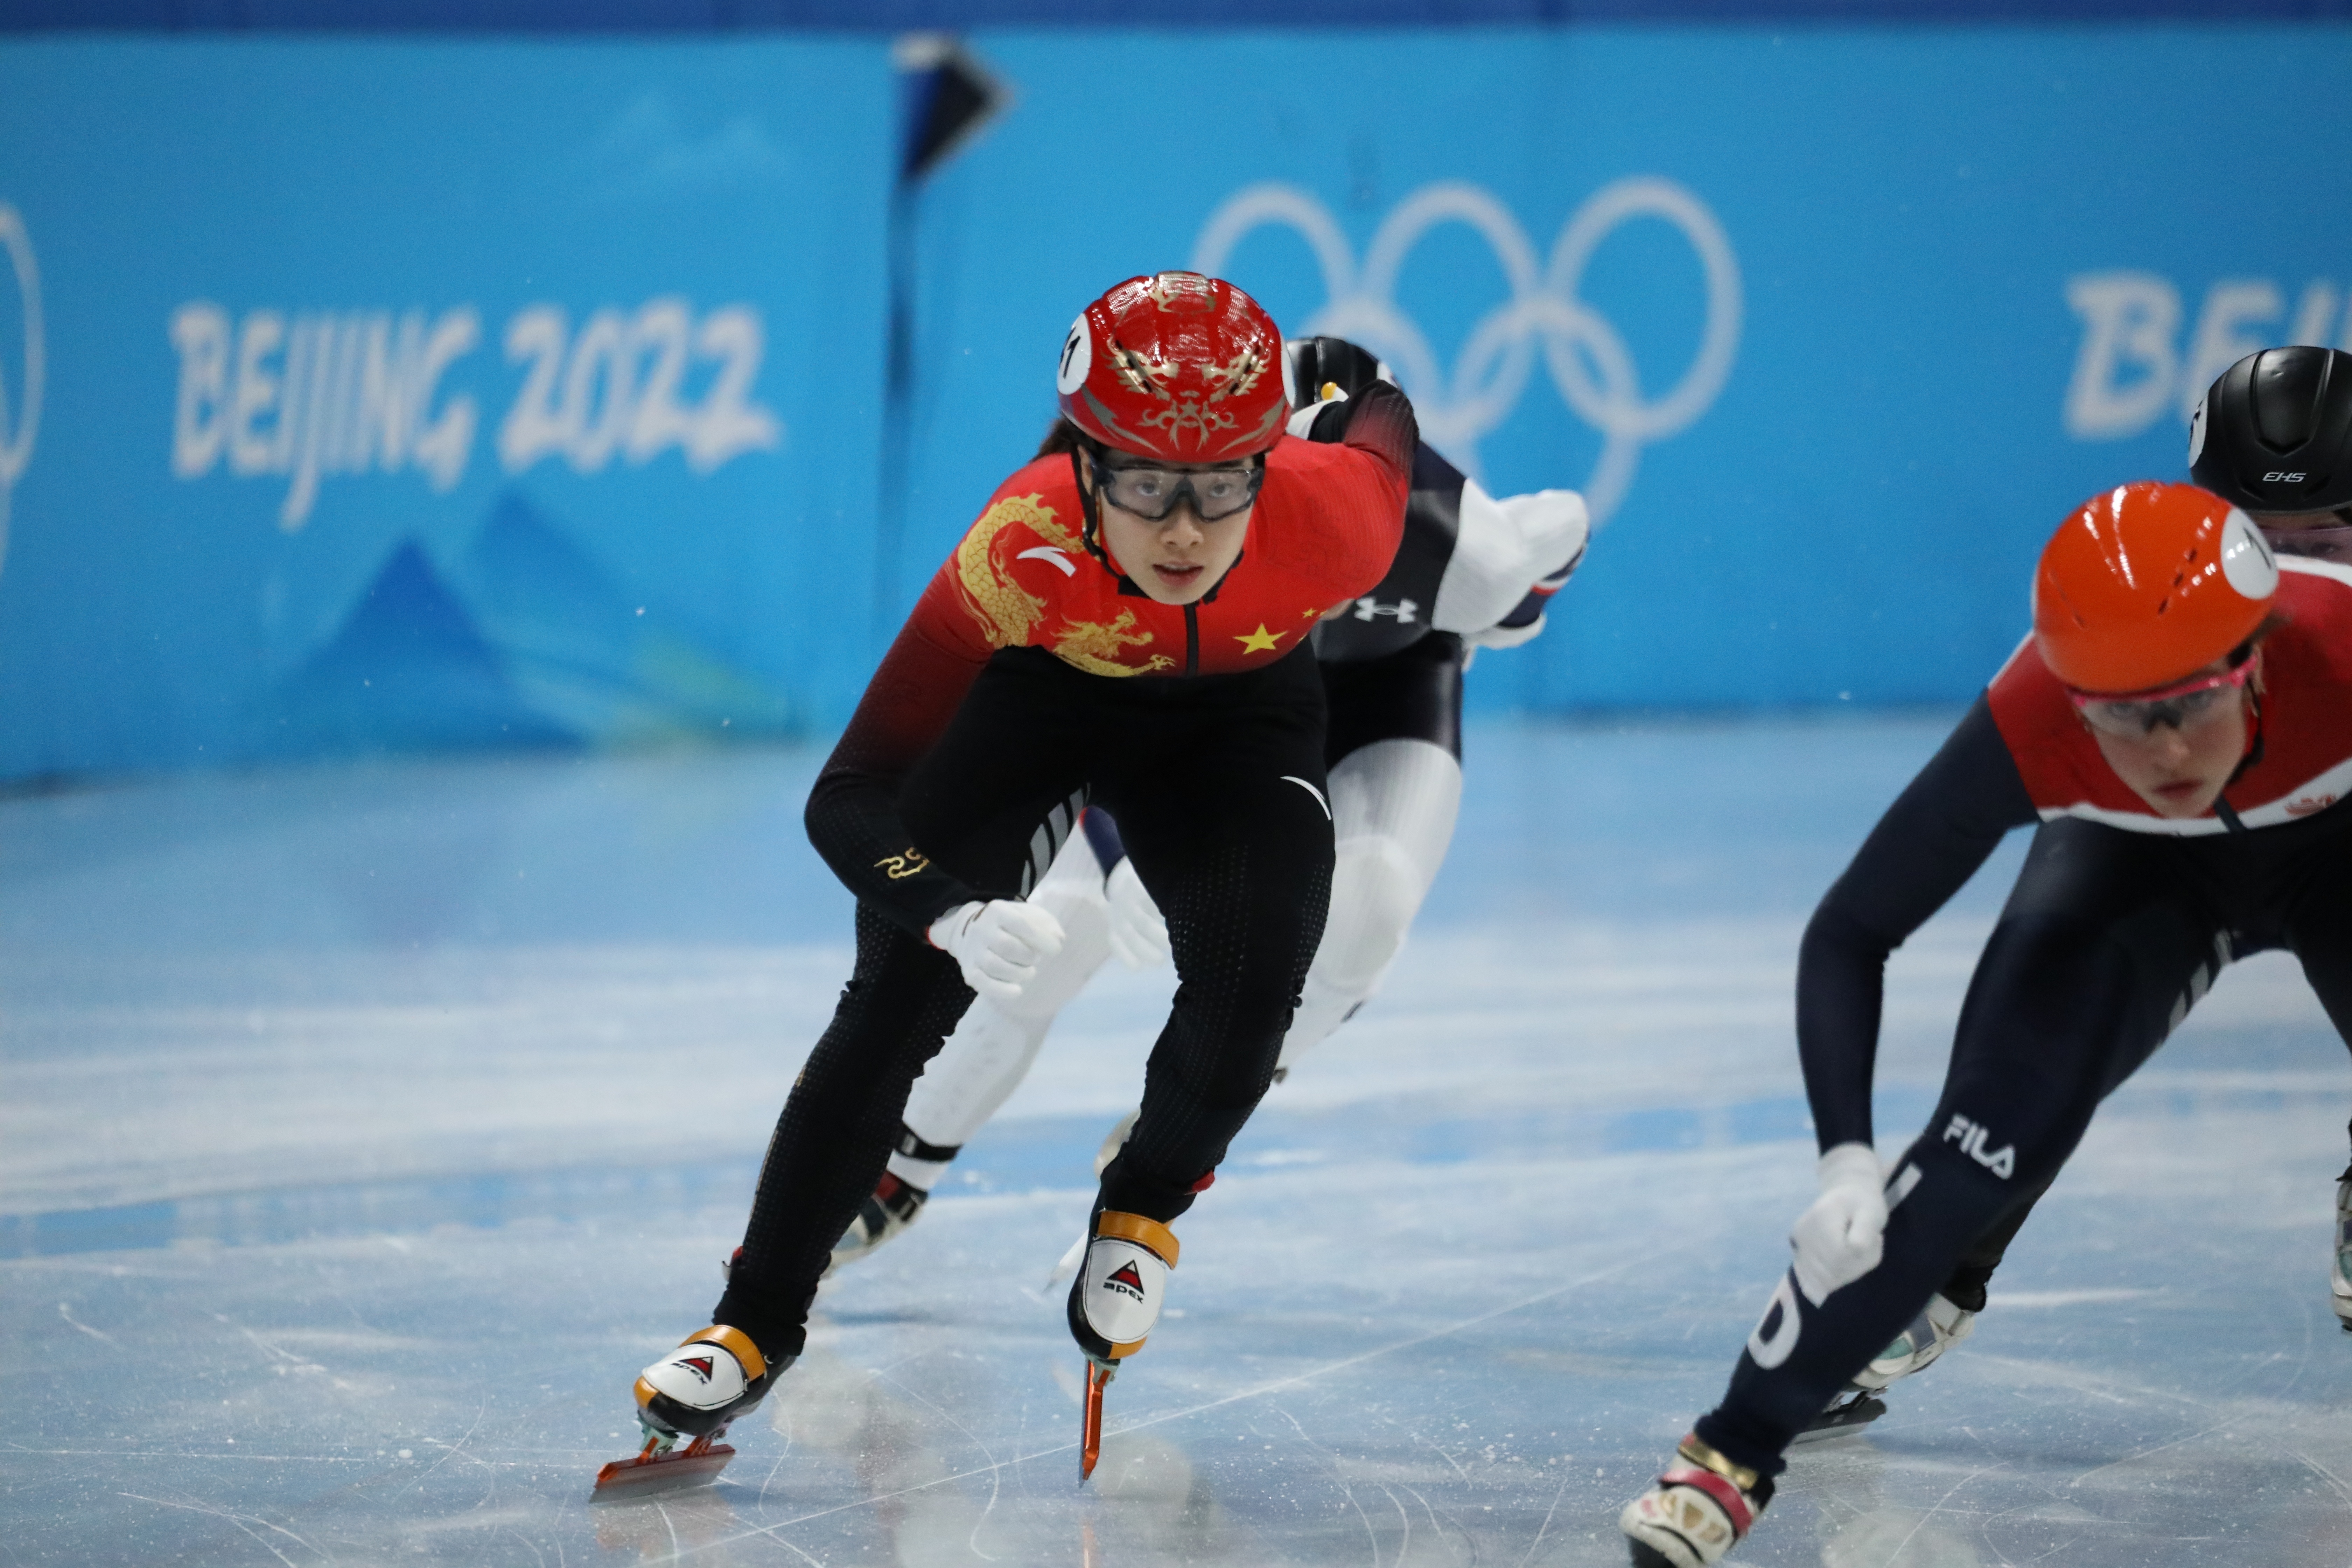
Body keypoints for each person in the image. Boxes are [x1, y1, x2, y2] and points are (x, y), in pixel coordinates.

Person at [611, 274, 1418, 1470]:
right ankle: (754, 1320)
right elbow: (847, 794)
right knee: (890, 1003)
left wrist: (1325, 365)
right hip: (1044, 702)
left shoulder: (1337, 516)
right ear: (1086, 467)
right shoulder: (1019, 545)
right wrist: (944, 915)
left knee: (1264, 960)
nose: (1187, 530)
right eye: (1146, 486)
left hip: (1239, 723)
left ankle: (1141, 1206)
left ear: (1266, 463)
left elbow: (1379, 405)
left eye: (1218, 485)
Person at [1619, 479, 2352, 1567]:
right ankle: (1727, 1456)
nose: (2159, 754)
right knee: (1970, 1155)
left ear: (2256, 658)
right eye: (2117, 715)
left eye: (2185, 704)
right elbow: (1851, 930)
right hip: (2140, 875)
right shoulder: (2036, 716)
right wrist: (1846, 1167)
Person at [825, 335, 1590, 1265]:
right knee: (1063, 926)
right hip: (1207, 707)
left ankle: (1174, 1135)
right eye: (1166, 482)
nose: (1191, 517)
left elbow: (1529, 558)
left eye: (1229, 483)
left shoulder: (1457, 544)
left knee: (1371, 913)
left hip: (1379, 696)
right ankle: (907, 1163)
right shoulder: (1102, 495)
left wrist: (1514, 579)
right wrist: (1115, 852)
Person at [1820, 344, 2352, 1422]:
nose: (2299, 577)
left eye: (2333, 543)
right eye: (2268, 543)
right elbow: (1865, 915)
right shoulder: (2123, 625)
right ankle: (1932, 1264)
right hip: (2152, 842)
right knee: (2019, 1079)